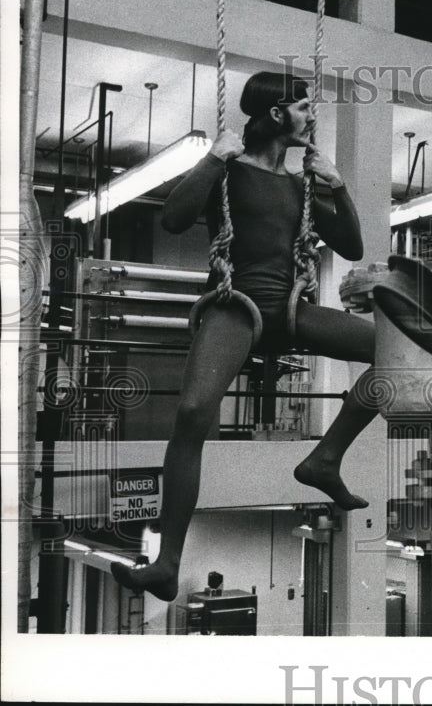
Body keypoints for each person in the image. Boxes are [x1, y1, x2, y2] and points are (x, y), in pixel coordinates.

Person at [112, 72, 378, 602]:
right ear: (277, 113)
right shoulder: (229, 170)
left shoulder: (301, 184)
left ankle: (324, 459)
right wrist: (212, 158)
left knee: (392, 352)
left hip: (291, 311)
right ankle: (167, 566)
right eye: (303, 107)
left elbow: (351, 246)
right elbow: (173, 218)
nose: (311, 117)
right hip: (236, 308)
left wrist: (338, 185)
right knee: (191, 416)